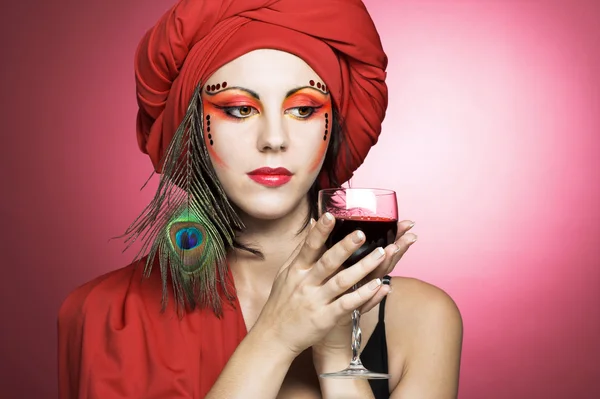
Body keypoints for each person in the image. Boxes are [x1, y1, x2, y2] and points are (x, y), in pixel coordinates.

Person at [58, 0, 463, 398]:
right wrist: (275, 337)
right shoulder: (103, 316)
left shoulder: (422, 319)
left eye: (303, 109)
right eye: (238, 109)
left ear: (333, 124)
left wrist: (335, 351)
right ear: (194, 128)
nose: (274, 139)